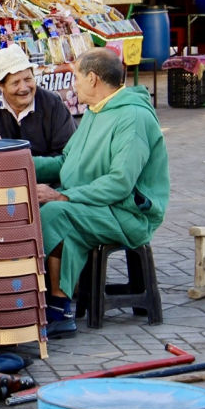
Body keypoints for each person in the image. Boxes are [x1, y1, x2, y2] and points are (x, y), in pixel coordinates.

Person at [34, 48, 169, 338]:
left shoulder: (132, 117)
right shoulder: (97, 111)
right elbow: (65, 164)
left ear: (93, 78)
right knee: (51, 213)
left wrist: (65, 196)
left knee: (56, 212)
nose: (74, 84)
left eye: (76, 77)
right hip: (96, 206)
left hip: (128, 213)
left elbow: (120, 183)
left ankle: (58, 310)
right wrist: (18, 162)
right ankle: (51, 303)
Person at [0, 44, 76, 158]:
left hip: (44, 175)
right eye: (15, 83)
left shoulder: (53, 104)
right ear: (1, 86)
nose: (24, 88)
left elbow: (68, 154)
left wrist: (27, 166)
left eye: (28, 79)